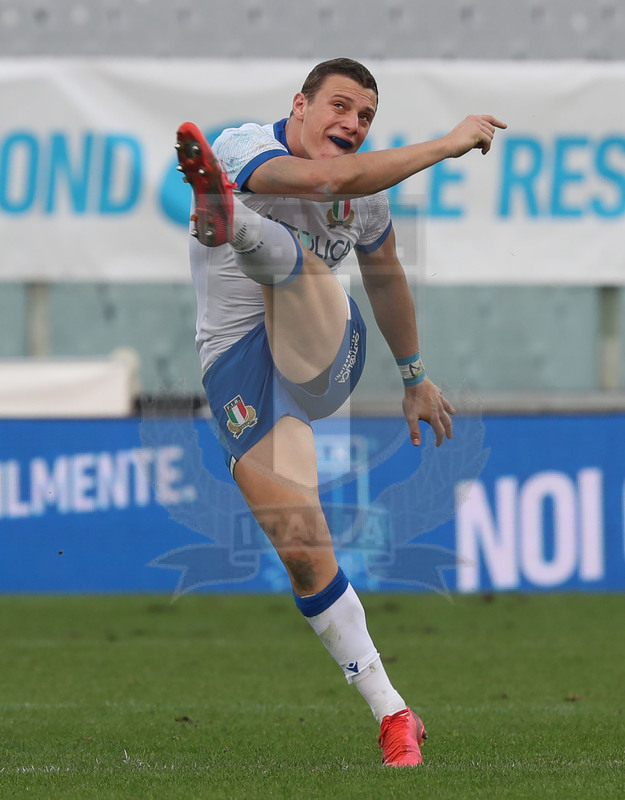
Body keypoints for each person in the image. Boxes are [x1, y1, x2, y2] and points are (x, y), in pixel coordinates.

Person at [176, 57, 506, 767]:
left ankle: (225, 218)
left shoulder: (365, 195)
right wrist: (442, 146)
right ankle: (394, 714)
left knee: (291, 258)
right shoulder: (239, 145)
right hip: (239, 369)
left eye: (365, 117)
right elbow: (323, 180)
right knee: (300, 549)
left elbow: (383, 276)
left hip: (322, 355)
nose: (352, 124)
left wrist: (414, 376)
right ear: (298, 105)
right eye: (340, 107)